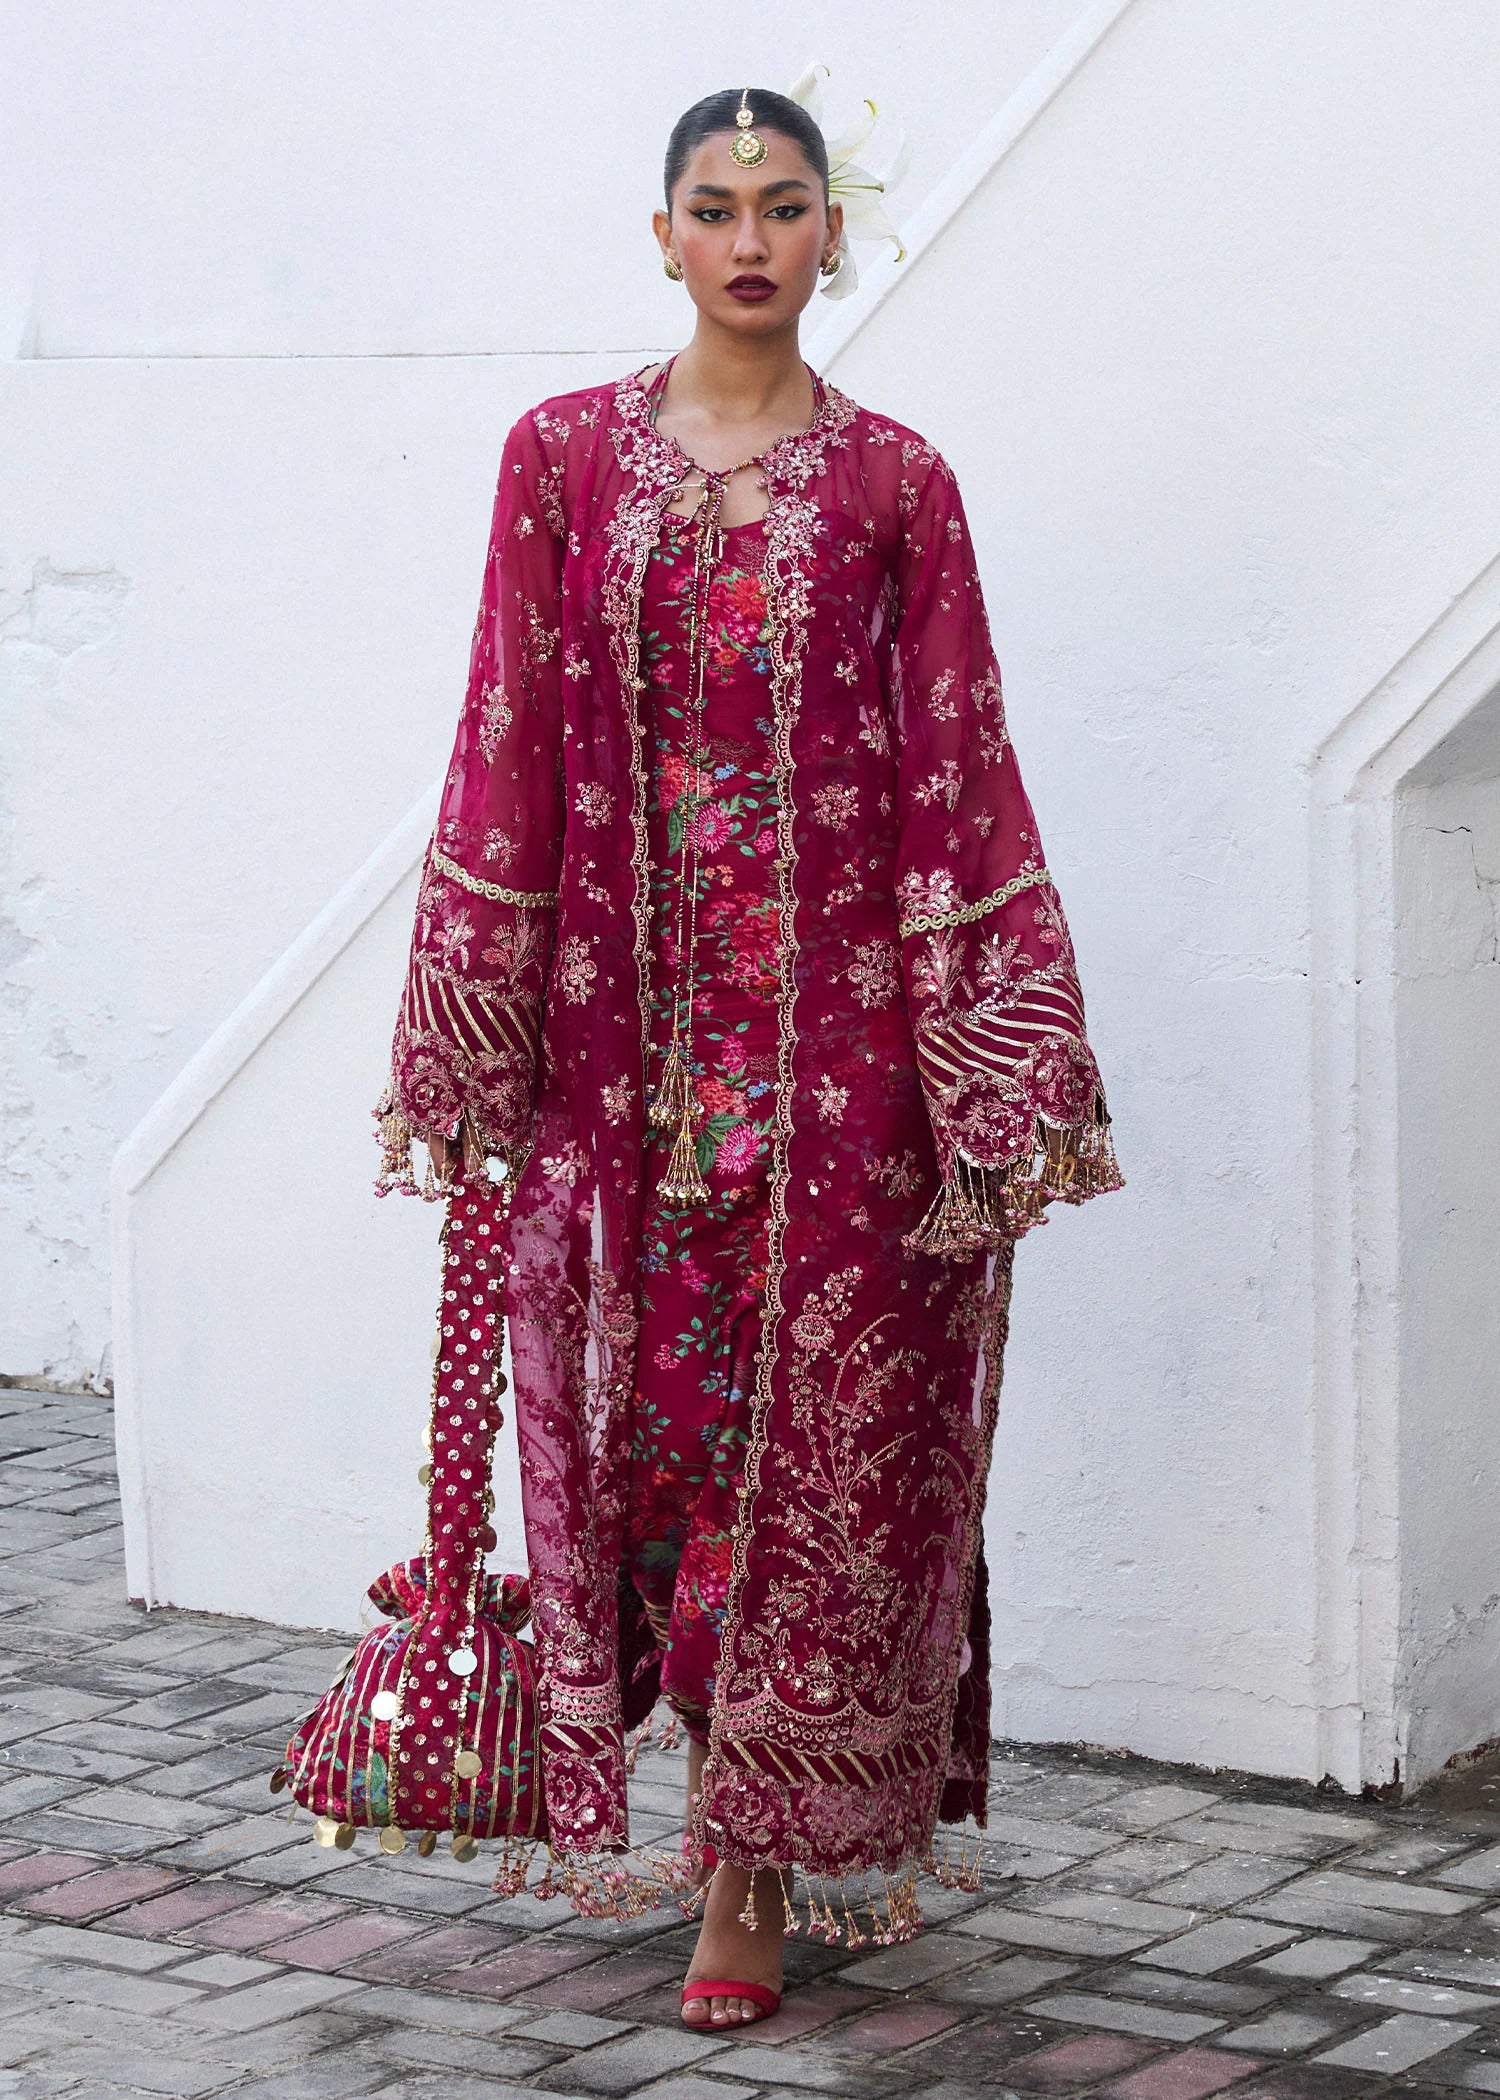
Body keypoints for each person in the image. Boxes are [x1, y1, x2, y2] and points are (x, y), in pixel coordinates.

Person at [373, 82, 1122, 2032]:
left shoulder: (896, 486)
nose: (752, 240)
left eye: (786, 206)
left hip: (843, 1073)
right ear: (664, 238)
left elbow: (962, 758)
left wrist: (988, 1065)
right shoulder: (558, 465)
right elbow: (503, 737)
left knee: (816, 1470)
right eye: (715, 207)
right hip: (618, 1075)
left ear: (829, 237)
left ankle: (748, 1868)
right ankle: (687, 1789)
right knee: (652, 1448)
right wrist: (475, 1019)